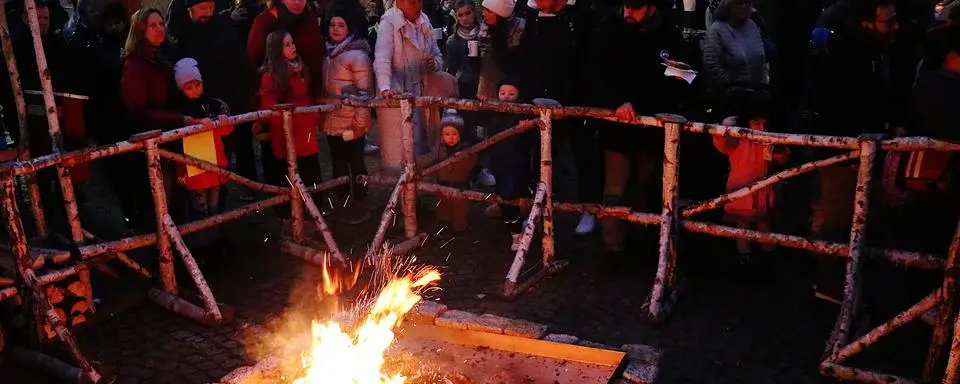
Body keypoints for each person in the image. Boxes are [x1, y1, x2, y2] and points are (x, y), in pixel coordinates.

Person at [588, 0, 688, 259]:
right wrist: (616, 101)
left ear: (652, 8)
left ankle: (641, 242)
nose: (628, 13)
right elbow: (596, 73)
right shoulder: (609, 28)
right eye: (626, 6)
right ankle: (614, 249)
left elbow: (684, 72)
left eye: (636, 7)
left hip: (654, 125)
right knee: (615, 189)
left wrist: (680, 79)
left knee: (645, 186)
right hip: (619, 126)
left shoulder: (668, 31)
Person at [517, 0, 600, 235]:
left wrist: (584, 99)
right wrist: (531, 93)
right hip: (542, 101)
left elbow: (588, 61)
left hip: (577, 100)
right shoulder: (533, 19)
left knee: (584, 156)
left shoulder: (583, 17)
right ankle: (539, 208)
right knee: (541, 157)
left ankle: (588, 208)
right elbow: (528, 58)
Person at [169, 0, 257, 185]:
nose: (207, 12)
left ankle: (243, 187)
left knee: (229, 159)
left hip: (228, 104)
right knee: (203, 168)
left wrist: (236, 100)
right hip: (196, 111)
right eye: (202, 8)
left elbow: (240, 64)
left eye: (211, 7)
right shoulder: (179, 36)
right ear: (189, 9)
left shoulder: (224, 30)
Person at [259, 29, 324, 233]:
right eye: (287, 45)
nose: (293, 47)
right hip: (288, 136)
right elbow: (270, 107)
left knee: (311, 173)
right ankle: (288, 217)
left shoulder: (301, 71)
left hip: (306, 135)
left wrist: (312, 114)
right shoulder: (271, 77)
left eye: (292, 43)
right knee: (287, 176)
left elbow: (306, 98)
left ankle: (312, 214)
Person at [713, 90, 788, 262]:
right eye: (756, 122)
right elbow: (722, 144)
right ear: (746, 120)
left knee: (764, 226)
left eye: (765, 123)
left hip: (765, 193)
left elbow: (783, 159)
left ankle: (768, 256)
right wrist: (724, 128)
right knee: (742, 227)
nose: (761, 127)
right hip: (741, 191)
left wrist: (778, 149)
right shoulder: (738, 139)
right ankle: (744, 258)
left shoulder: (771, 139)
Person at [374, 0, 446, 168]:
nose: (418, 6)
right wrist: (385, 87)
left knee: (420, 142)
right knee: (399, 147)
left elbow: (437, 55)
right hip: (396, 91)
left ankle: (417, 184)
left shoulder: (425, 20)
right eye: (412, 2)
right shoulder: (389, 23)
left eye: (419, 1)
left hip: (420, 89)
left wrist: (433, 64)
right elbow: (382, 58)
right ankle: (400, 186)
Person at [172, 58, 233, 254]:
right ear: (181, 88)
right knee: (199, 207)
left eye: (197, 84)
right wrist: (197, 123)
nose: (195, 89)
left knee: (214, 204)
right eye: (189, 86)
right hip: (194, 170)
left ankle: (215, 239)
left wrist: (223, 121)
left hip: (213, 164)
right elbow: (178, 131)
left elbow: (227, 130)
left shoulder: (213, 105)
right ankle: (201, 244)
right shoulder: (179, 112)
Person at [321, 8, 373, 224]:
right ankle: (341, 202)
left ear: (349, 28)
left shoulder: (358, 56)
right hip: (332, 119)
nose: (336, 29)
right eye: (333, 25)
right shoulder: (327, 54)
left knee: (356, 163)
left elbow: (365, 94)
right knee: (337, 164)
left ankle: (360, 202)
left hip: (352, 122)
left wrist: (360, 125)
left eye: (341, 25)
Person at [486, 81, 534, 250]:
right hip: (499, 164)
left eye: (511, 94)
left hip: (518, 163)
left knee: (515, 193)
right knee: (504, 196)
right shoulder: (492, 111)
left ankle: (524, 225)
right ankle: (515, 231)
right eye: (502, 93)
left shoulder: (524, 113)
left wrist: (527, 124)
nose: (506, 97)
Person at [417, 110, 477, 233]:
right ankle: (444, 225)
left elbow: (473, 162)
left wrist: (466, 157)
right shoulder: (439, 149)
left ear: (460, 135)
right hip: (442, 183)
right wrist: (416, 162)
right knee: (443, 207)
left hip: (460, 185)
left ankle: (460, 226)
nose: (450, 137)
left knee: (459, 208)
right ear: (442, 136)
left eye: (454, 134)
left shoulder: (466, 150)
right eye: (447, 134)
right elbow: (430, 158)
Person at [702, 0, 768, 95]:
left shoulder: (751, 26)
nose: (744, 6)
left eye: (747, 3)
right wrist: (730, 87)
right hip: (731, 95)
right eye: (739, 3)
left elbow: (761, 59)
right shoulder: (716, 30)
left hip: (758, 93)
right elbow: (711, 65)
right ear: (728, 6)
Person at [476, 0, 525, 101]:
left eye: (488, 11)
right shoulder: (485, 28)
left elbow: (517, 63)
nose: (483, 13)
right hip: (487, 87)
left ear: (499, 14)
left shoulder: (518, 30)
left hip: (509, 90)